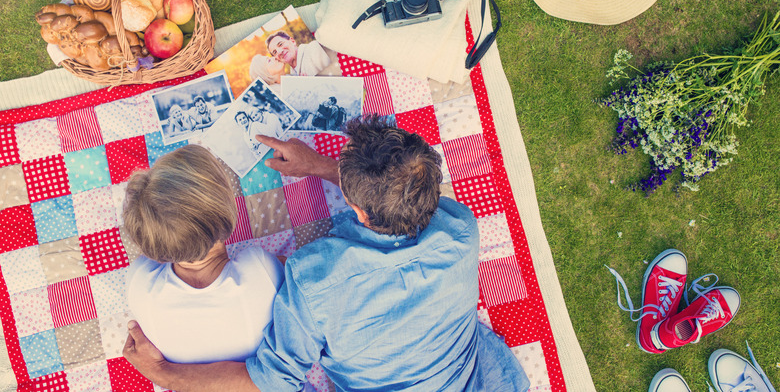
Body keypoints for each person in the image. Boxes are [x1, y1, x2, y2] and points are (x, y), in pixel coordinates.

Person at [123, 116, 530, 392]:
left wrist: (161, 371)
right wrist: (320, 166)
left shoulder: (313, 276)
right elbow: (395, 197)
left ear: (354, 207)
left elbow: (273, 380)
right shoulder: (461, 226)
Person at [122, 144, 284, 364]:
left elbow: (145, 260)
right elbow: (290, 269)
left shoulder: (140, 282)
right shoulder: (260, 268)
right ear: (227, 213)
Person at [265, 31, 331, 77]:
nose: (279, 51)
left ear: (292, 41)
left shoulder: (314, 49)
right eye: (275, 52)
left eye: (280, 44)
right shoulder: (292, 75)